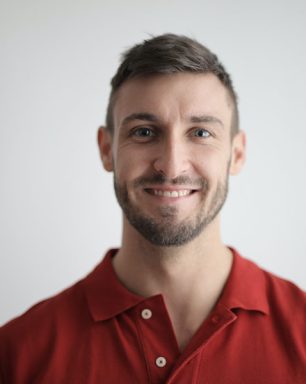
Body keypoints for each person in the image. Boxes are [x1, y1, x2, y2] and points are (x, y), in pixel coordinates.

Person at [0, 33, 305, 384]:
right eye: (144, 132)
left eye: (201, 133)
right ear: (106, 149)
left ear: (236, 154)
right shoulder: (18, 355)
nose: (172, 166)